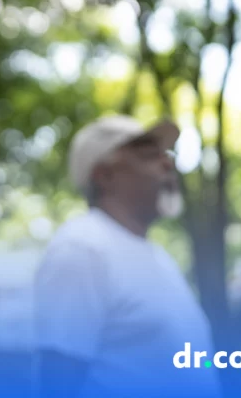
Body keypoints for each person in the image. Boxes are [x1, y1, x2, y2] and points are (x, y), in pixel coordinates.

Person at [33, 116, 220, 398]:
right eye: (148, 156)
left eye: (165, 155)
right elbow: (57, 385)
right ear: (104, 175)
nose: (168, 164)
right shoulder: (82, 249)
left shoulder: (157, 256)